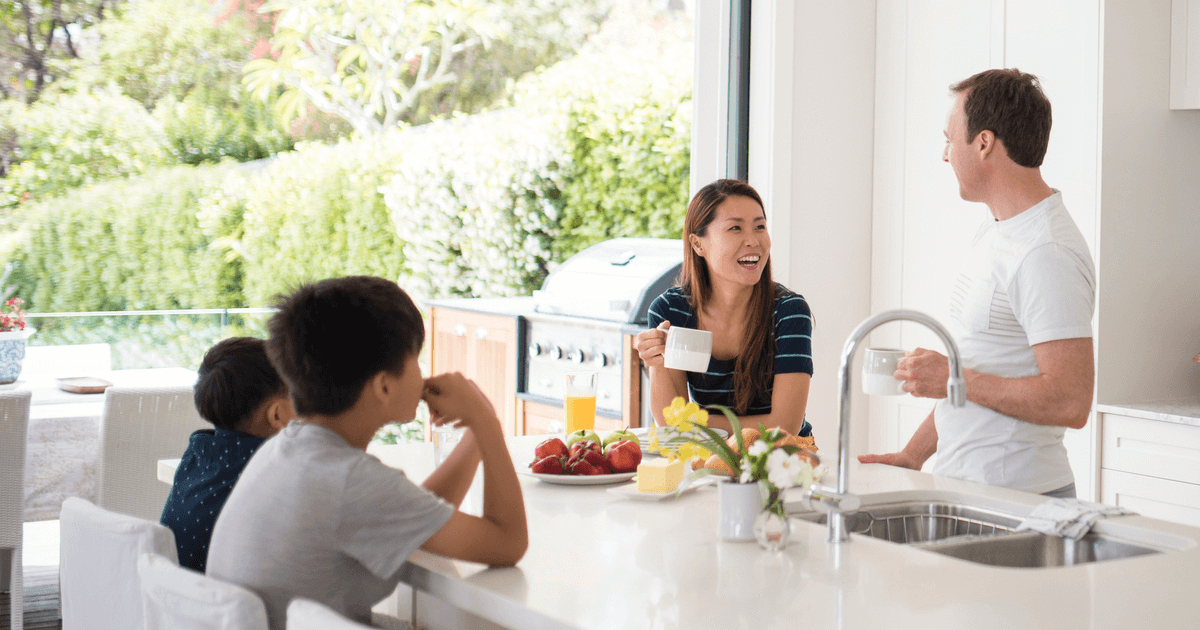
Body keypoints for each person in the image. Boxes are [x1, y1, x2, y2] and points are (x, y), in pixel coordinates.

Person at [207, 276, 527, 630]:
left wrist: (473, 434)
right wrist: (487, 421)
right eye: (415, 360)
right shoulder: (350, 481)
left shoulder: (286, 449)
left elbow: (416, 519)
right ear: (384, 386)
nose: (422, 375)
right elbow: (508, 544)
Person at [859, 69, 1096, 499]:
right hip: (969, 490)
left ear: (984, 143)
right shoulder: (998, 231)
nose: (945, 155)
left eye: (950, 139)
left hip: (1020, 500)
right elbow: (982, 364)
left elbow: (1070, 401)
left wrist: (953, 377)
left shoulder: (1046, 252)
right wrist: (913, 455)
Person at [635, 179, 814, 437]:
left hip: (782, 461)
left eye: (760, 226)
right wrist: (657, 361)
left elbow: (784, 427)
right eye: (735, 228)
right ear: (698, 244)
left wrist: (693, 422)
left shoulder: (788, 311)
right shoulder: (671, 311)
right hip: (710, 458)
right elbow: (670, 421)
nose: (753, 240)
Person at [160, 336, 294, 573]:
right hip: (234, 606)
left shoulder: (197, 455)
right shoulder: (276, 474)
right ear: (277, 415)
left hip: (176, 600)